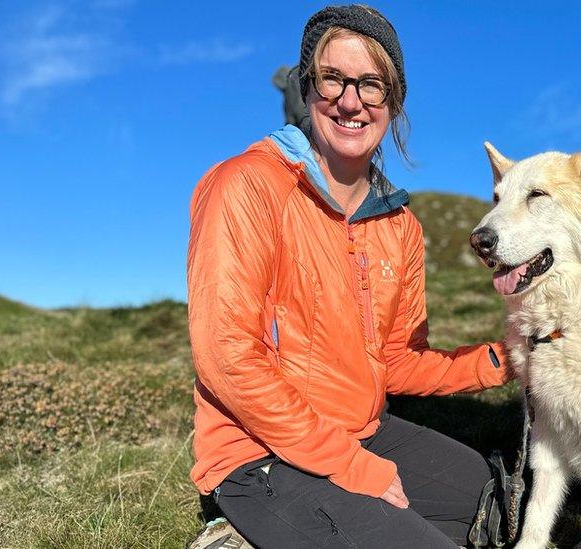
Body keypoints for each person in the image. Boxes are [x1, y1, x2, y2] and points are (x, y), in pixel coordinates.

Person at [186, 6, 512, 548]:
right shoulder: (245, 186)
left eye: (371, 84)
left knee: (490, 499)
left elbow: (398, 362)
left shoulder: (400, 224)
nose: (350, 101)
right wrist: (350, 466)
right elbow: (226, 357)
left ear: (393, 100)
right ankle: (233, 535)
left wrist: (504, 360)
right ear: (308, 87)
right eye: (332, 79)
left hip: (364, 432)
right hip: (259, 453)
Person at [271, 64, 311, 131]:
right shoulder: (286, 100)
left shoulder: (294, 87)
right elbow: (289, 118)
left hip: (304, 120)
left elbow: (297, 108)